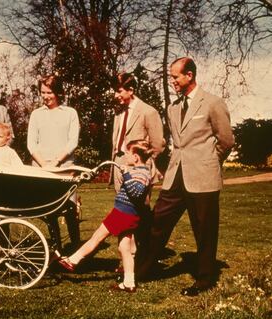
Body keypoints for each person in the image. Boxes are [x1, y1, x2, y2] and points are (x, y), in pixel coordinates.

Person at [136, 57, 235, 296]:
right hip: (175, 176)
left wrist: (208, 162)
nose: (172, 81)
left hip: (203, 177)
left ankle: (204, 279)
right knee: (157, 221)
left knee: (204, 229)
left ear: (189, 75)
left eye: (175, 77)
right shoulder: (172, 108)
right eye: (171, 77)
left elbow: (226, 141)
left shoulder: (212, 103)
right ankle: (140, 271)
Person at [57, 140, 152, 293]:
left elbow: (137, 192)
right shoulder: (139, 170)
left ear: (135, 157)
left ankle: (73, 260)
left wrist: (126, 174)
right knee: (124, 248)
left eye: (127, 153)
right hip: (128, 214)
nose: (125, 156)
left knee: (96, 237)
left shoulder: (141, 173)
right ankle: (129, 282)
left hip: (122, 214)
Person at [27, 74, 80, 252]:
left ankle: (75, 249)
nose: (46, 96)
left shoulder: (70, 113)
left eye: (49, 92)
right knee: (49, 210)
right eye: (43, 92)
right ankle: (57, 249)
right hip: (42, 169)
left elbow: (73, 142)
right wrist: (44, 166)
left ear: (58, 92)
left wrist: (57, 162)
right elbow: (31, 144)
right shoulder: (36, 114)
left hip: (64, 168)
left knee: (70, 209)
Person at [111, 72, 165, 193]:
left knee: (140, 208)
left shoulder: (148, 111)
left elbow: (157, 145)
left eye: (119, 91)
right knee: (122, 206)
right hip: (118, 163)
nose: (115, 95)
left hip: (138, 166)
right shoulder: (118, 113)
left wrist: (143, 162)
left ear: (130, 90)